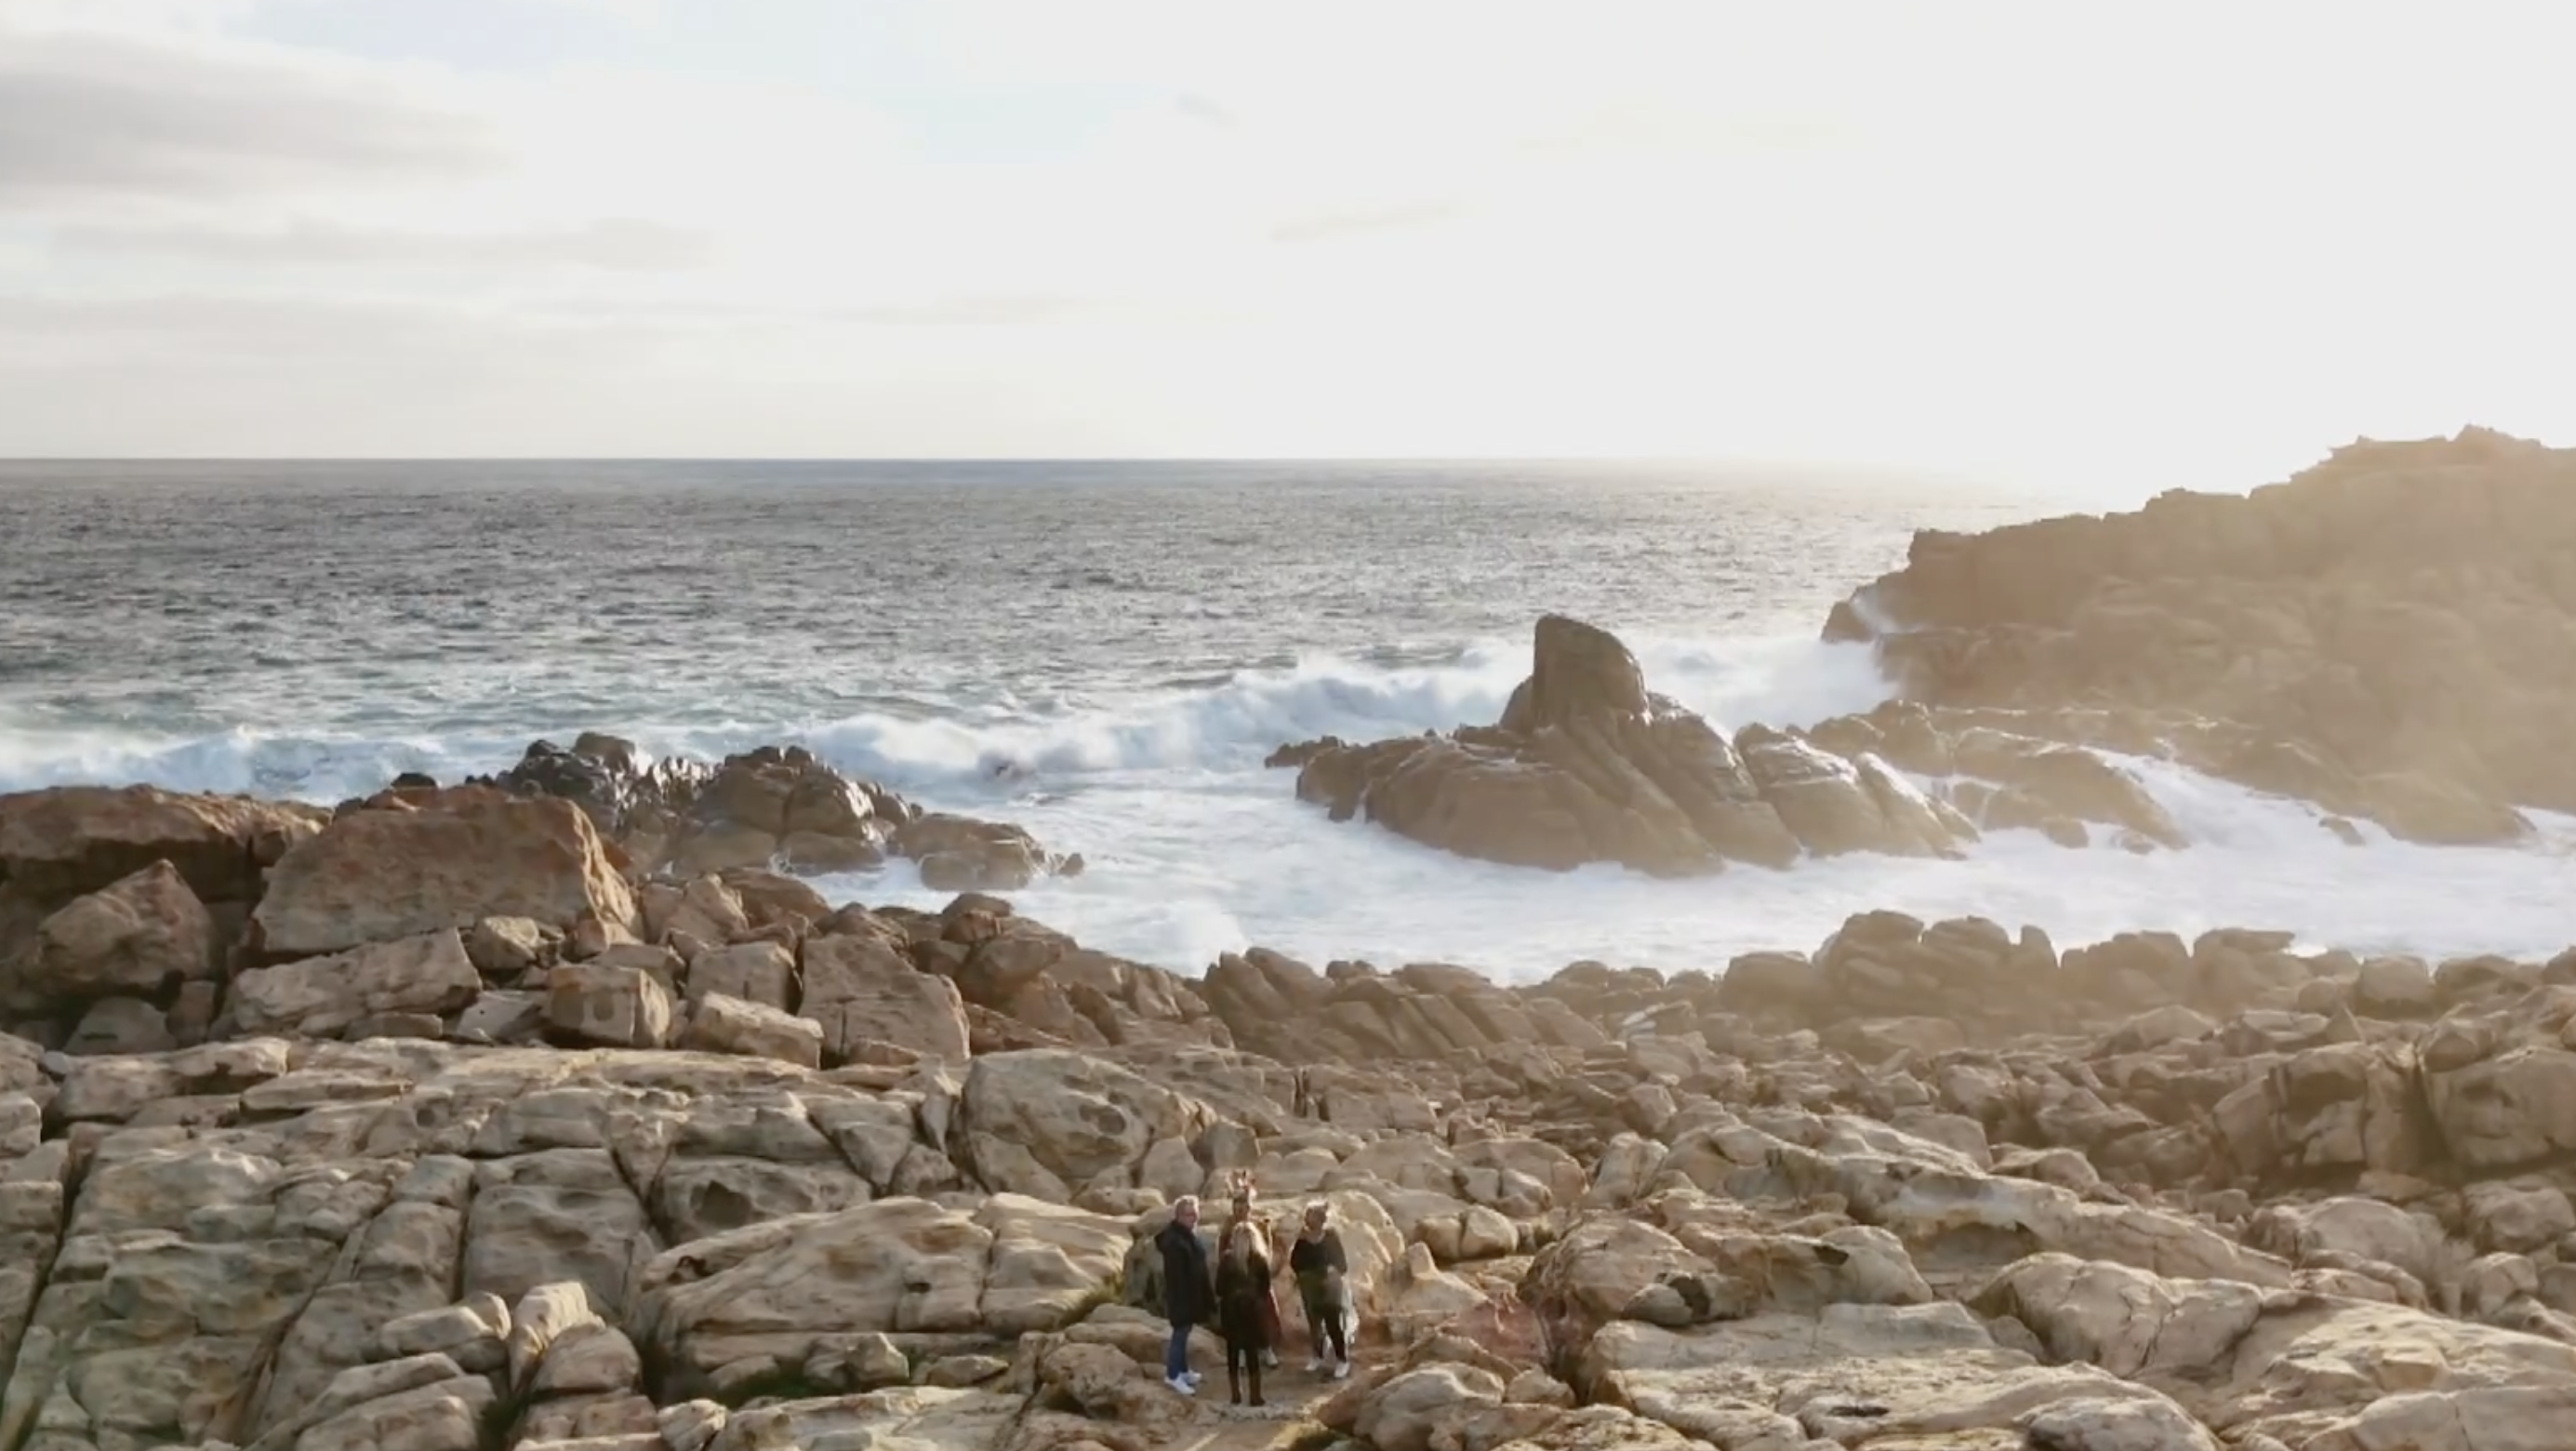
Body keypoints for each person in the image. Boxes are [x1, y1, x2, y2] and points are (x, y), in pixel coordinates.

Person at [1154, 1196, 1215, 1394]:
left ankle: (1183, 1370)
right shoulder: (1175, 1243)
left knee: (1185, 1333)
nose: (1194, 1218)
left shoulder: (1186, 1236)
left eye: (1195, 1213)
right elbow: (1177, 1277)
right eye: (1189, 1214)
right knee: (1180, 1335)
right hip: (1181, 1297)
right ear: (1179, 1216)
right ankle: (1173, 1376)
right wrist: (1186, 1301)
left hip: (1189, 1296)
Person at [1289, 1200, 1354, 1378]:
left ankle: (1342, 1360)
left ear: (1320, 1218)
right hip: (1310, 1287)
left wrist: (1332, 1272)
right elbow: (1294, 1262)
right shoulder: (1302, 1240)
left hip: (1330, 1288)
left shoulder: (1331, 1237)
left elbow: (1342, 1264)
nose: (1307, 1220)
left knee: (1333, 1323)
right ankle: (1317, 1355)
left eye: (1310, 1216)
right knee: (1314, 1324)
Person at [1214, 1218, 1274, 1405]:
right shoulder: (1260, 1260)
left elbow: (1219, 1288)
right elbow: (1266, 1287)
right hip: (1252, 1310)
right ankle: (1255, 1396)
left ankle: (1235, 1394)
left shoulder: (1227, 1260)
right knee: (1252, 1352)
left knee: (1232, 1351)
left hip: (1230, 1310)